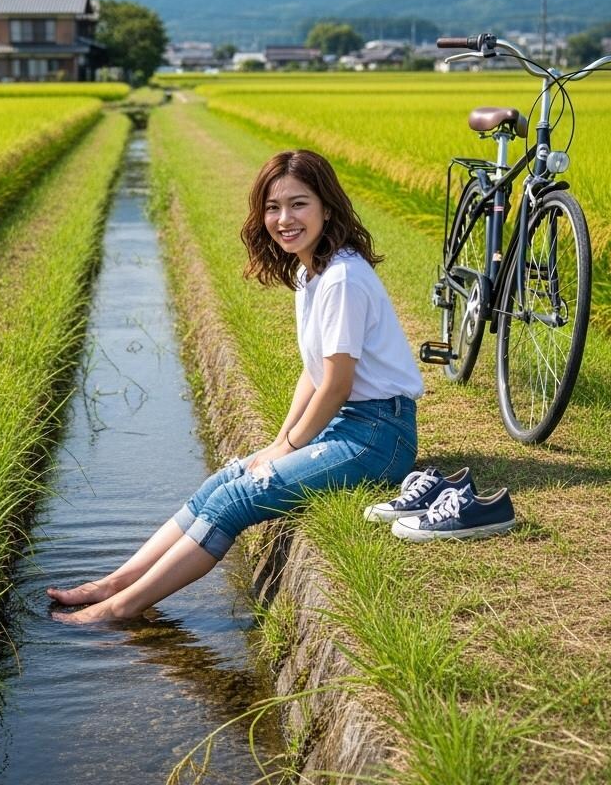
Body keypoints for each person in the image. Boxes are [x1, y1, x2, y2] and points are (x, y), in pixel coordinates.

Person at [49, 149, 423, 624]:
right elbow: (313, 371)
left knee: (235, 500)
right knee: (222, 481)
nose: (284, 219)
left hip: (377, 437)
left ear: (327, 207)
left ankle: (116, 611)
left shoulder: (341, 279)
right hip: (357, 427)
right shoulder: (314, 271)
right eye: (273, 207)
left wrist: (287, 446)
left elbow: (336, 386)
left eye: (298, 204)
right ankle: (115, 582)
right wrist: (276, 444)